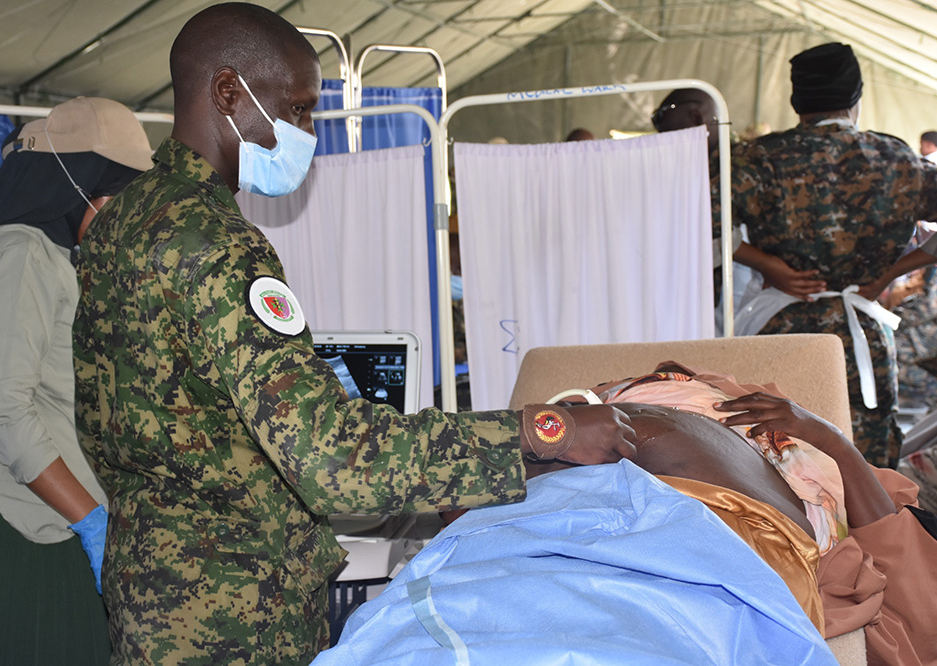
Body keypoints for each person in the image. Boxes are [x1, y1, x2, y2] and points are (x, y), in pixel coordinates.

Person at [71, 4, 638, 664]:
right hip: (232, 611)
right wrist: (547, 431)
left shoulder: (123, 220)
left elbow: (111, 418)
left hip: (148, 586)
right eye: (299, 110)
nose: (307, 132)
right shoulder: (217, 246)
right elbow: (334, 462)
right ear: (229, 92)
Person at [418, 366, 937, 666]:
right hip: (589, 481)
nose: (664, 366)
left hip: (719, 516)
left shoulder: (775, 427)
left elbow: (901, 553)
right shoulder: (601, 404)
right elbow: (455, 494)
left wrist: (827, 436)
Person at [0, 97, 152, 664]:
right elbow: (1, 407)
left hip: (48, 523)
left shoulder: (57, 258)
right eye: (116, 191)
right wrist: (92, 521)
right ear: (79, 183)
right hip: (14, 534)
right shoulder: (22, 250)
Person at [731, 42, 937, 468]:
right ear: (855, 99)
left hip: (782, 330)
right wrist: (891, 274)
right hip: (861, 330)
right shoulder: (897, 158)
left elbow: (698, 230)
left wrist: (769, 265)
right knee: (868, 460)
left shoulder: (758, 158)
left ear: (796, 100)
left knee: (779, 455)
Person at [651, 89, 827, 310]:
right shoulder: (690, 167)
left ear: (697, 119)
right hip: (705, 295)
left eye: (671, 135)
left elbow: (708, 228)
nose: (667, 144)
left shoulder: (744, 164)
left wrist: (766, 265)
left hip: (749, 290)